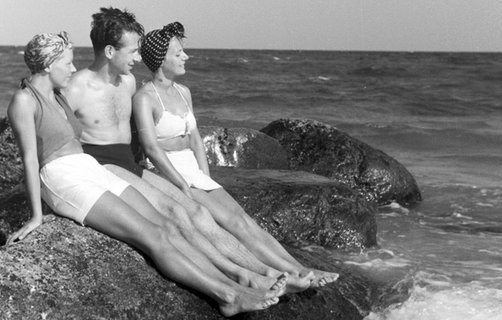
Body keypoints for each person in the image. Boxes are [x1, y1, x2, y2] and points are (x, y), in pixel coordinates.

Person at [7, 31, 286, 317]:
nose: (73, 68)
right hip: (62, 178)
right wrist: (37, 216)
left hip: (88, 166)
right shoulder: (24, 101)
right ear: (46, 64)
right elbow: (30, 159)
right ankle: (227, 295)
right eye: (66, 63)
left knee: (167, 225)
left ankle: (237, 278)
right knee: (152, 236)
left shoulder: (57, 96)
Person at [64, 7, 313, 292]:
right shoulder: (76, 87)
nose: (137, 57)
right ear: (110, 51)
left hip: (132, 165)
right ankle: (242, 276)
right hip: (103, 165)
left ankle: (262, 270)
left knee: (197, 214)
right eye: (133, 51)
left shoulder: (129, 82)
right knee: (176, 214)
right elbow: (56, 138)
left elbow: (141, 133)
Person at [134, 22, 339, 287]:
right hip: (169, 172)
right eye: (179, 53)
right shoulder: (145, 98)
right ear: (161, 59)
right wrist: (182, 184)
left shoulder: (184, 92)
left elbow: (195, 138)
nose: (186, 56)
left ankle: (298, 269)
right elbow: (151, 147)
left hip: (193, 171)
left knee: (243, 220)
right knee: (228, 224)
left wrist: (205, 177)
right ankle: (279, 275)